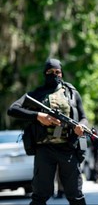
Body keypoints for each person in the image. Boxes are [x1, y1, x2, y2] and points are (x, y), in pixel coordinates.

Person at [7, 58, 87, 205]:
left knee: (76, 195)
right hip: (44, 149)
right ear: (45, 73)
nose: (54, 74)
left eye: (58, 72)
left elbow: (83, 118)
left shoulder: (71, 93)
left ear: (62, 74)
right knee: (40, 196)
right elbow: (12, 109)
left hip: (68, 148)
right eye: (50, 72)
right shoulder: (37, 94)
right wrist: (38, 116)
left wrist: (80, 127)